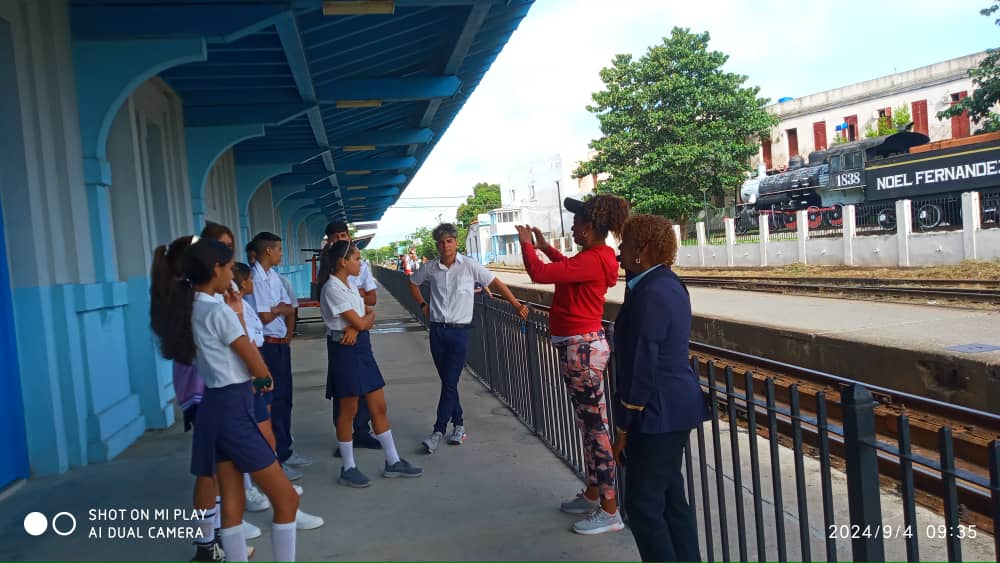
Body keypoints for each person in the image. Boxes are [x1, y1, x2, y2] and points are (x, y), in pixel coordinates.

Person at [153, 238, 300, 562]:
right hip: (234, 407)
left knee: (231, 502)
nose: (233, 274)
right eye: (230, 267)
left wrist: (235, 311)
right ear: (216, 269)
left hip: (213, 407)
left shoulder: (193, 305)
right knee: (286, 499)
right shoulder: (218, 310)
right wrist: (264, 378)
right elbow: (253, 359)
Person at [514, 193, 630, 535]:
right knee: (587, 425)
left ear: (590, 227)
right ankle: (594, 492)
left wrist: (527, 247)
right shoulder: (595, 257)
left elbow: (539, 274)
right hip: (578, 347)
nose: (574, 227)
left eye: (578, 223)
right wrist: (545, 246)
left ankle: (610, 511)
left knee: (596, 431)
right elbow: (564, 269)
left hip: (581, 349)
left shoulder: (593, 259)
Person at [612, 214, 709, 562]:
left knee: (642, 507)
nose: (618, 251)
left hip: (656, 414)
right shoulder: (662, 283)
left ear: (643, 249)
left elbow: (641, 364)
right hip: (670, 410)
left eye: (624, 244)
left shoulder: (651, 292)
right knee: (669, 500)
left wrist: (624, 425)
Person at [408, 223, 529, 453]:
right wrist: (423, 304)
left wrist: (516, 304)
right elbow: (412, 283)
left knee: (449, 381)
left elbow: (495, 283)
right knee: (448, 382)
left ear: (456, 242)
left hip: (460, 332)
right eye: (441, 242)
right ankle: (459, 424)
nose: (446, 246)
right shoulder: (431, 268)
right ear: (437, 245)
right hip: (437, 331)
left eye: (449, 241)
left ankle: (437, 431)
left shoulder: (470, 266)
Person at [321, 240, 423, 487]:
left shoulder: (349, 285)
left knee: (378, 405)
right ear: (343, 261)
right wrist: (360, 325)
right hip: (344, 351)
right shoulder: (331, 288)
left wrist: (359, 326)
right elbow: (360, 320)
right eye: (356, 259)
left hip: (360, 347)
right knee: (348, 410)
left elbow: (368, 313)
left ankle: (392, 460)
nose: (360, 263)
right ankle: (348, 467)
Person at [252, 232, 311, 481]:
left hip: (279, 344)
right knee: (270, 401)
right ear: (268, 251)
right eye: (278, 250)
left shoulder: (274, 276)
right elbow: (265, 316)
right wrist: (279, 310)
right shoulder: (256, 279)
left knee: (285, 398)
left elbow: (289, 308)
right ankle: (273, 457)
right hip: (264, 348)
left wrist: (287, 331)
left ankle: (285, 451)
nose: (280, 254)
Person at [323, 221, 382, 456]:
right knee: (345, 393)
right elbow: (332, 303)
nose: (342, 239)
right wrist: (356, 322)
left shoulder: (360, 266)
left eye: (344, 234)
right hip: (342, 336)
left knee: (367, 389)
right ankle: (344, 438)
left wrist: (357, 327)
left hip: (356, 334)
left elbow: (371, 301)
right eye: (336, 236)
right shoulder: (329, 272)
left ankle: (361, 432)